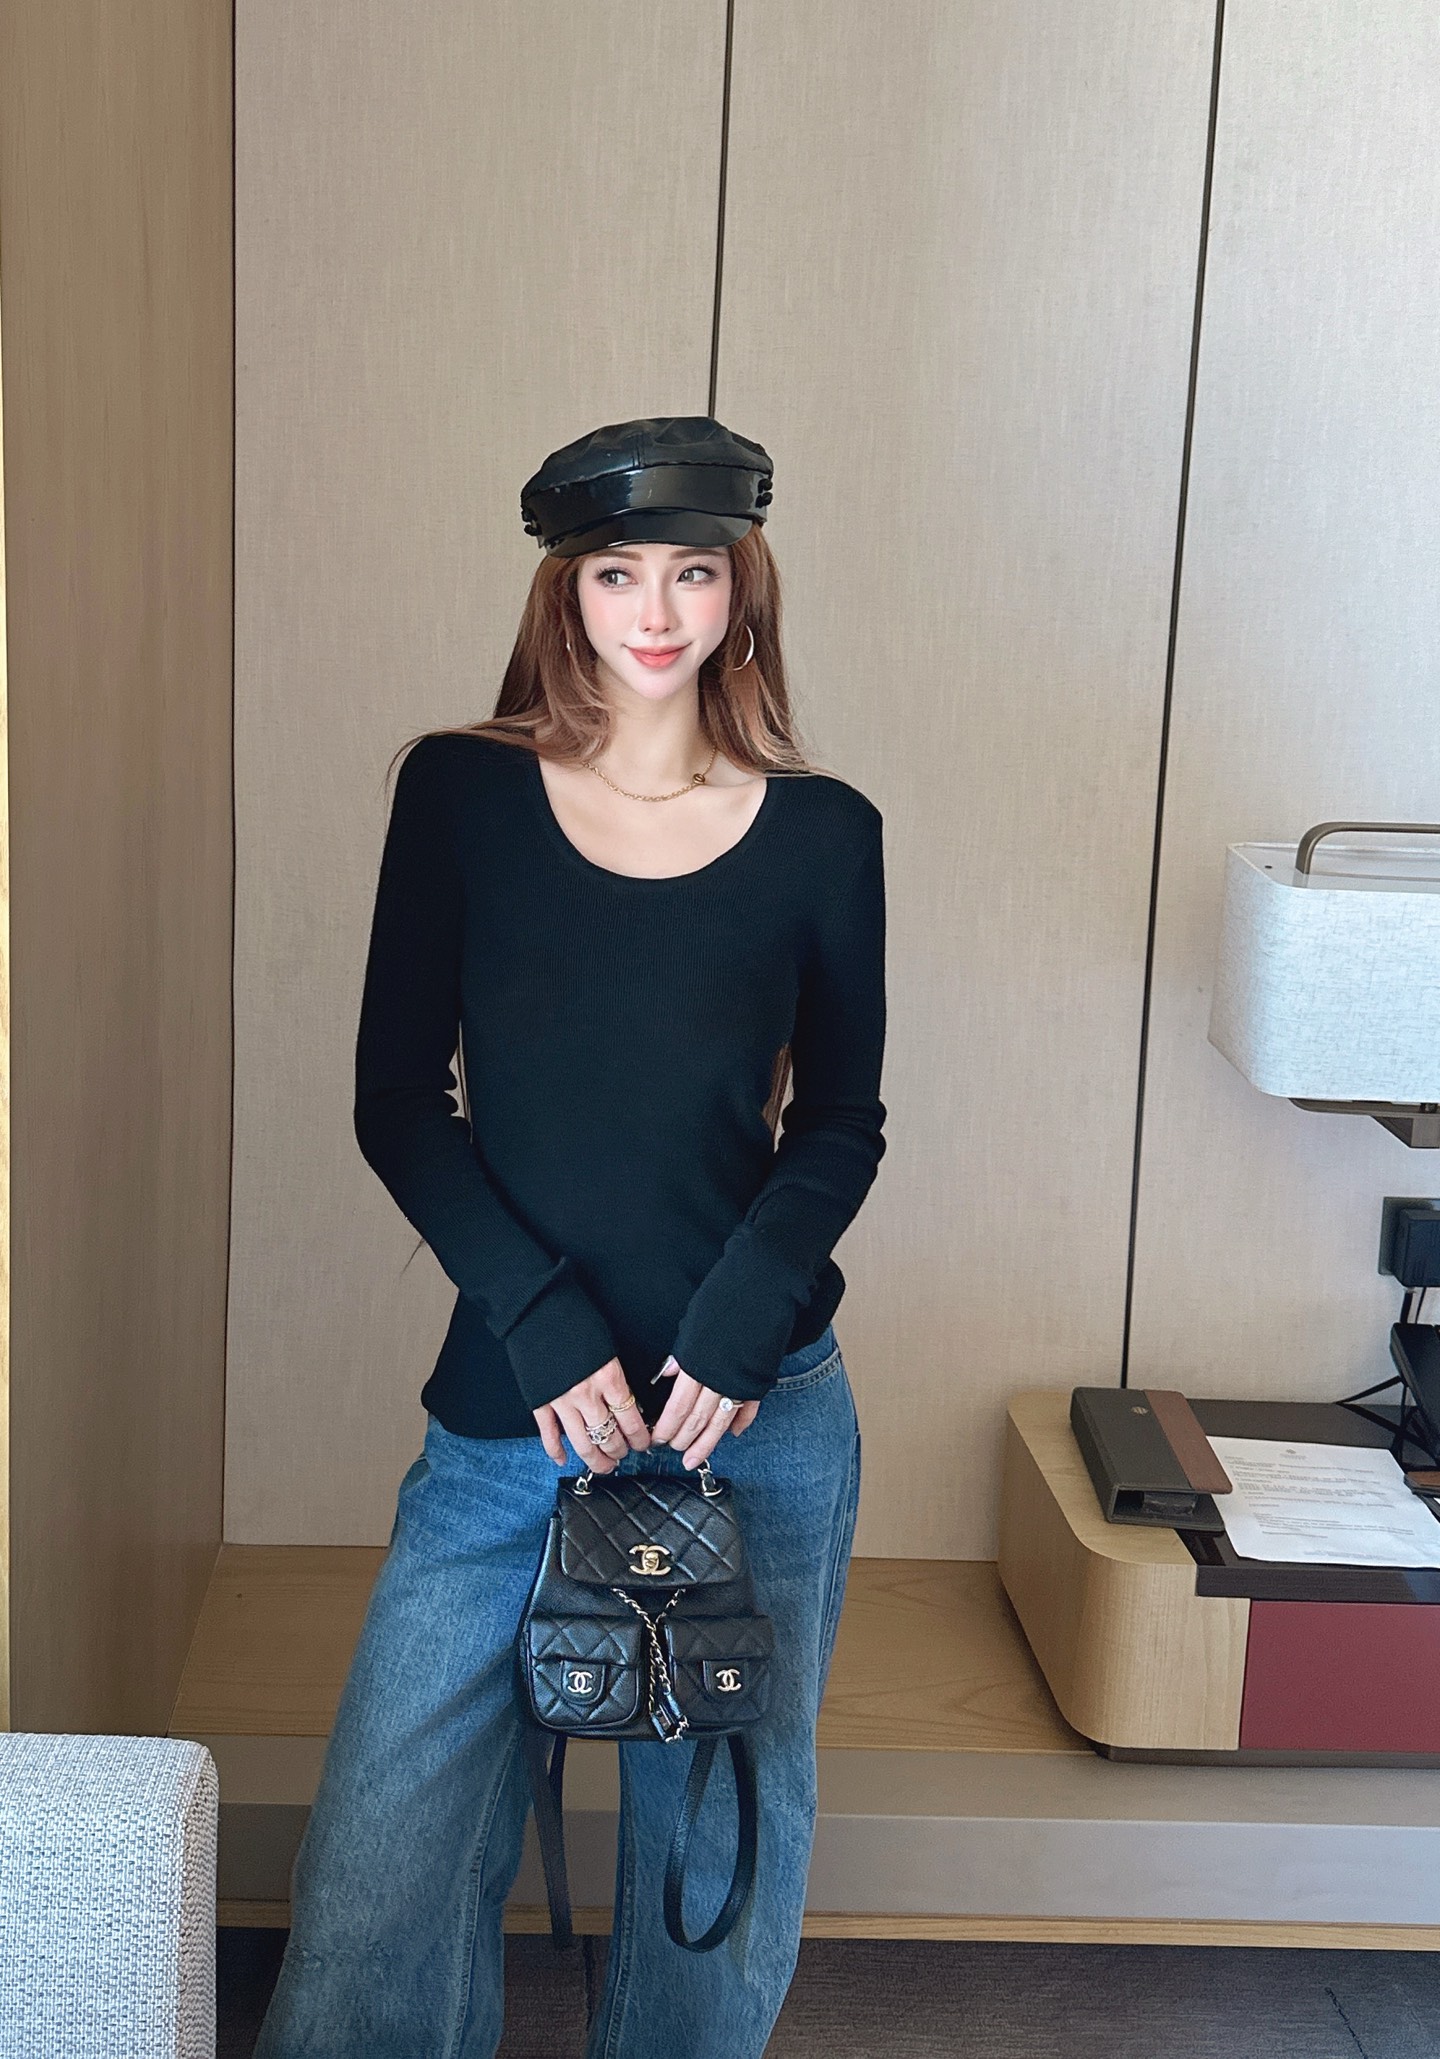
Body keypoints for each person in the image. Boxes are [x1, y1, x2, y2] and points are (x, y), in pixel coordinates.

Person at [253, 415, 888, 2059]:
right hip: (513, 1420)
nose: (656, 611)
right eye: (618, 573)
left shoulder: (827, 834)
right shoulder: (460, 795)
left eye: (693, 572)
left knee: (713, 1879)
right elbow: (398, 1101)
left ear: (743, 587)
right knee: (378, 1887)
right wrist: (536, 1320)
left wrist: (744, 1319)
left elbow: (840, 1123)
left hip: (753, 1423)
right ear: (566, 588)